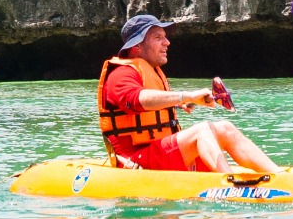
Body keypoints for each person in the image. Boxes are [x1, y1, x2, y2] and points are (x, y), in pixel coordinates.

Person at [98, 15, 281, 175]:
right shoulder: (120, 74)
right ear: (137, 46)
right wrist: (186, 96)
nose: (167, 42)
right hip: (136, 162)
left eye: (165, 37)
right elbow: (136, 100)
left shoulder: (148, 72)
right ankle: (229, 183)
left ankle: (279, 175)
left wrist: (184, 103)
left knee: (225, 127)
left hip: (160, 155)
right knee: (202, 130)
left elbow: (155, 106)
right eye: (158, 37)